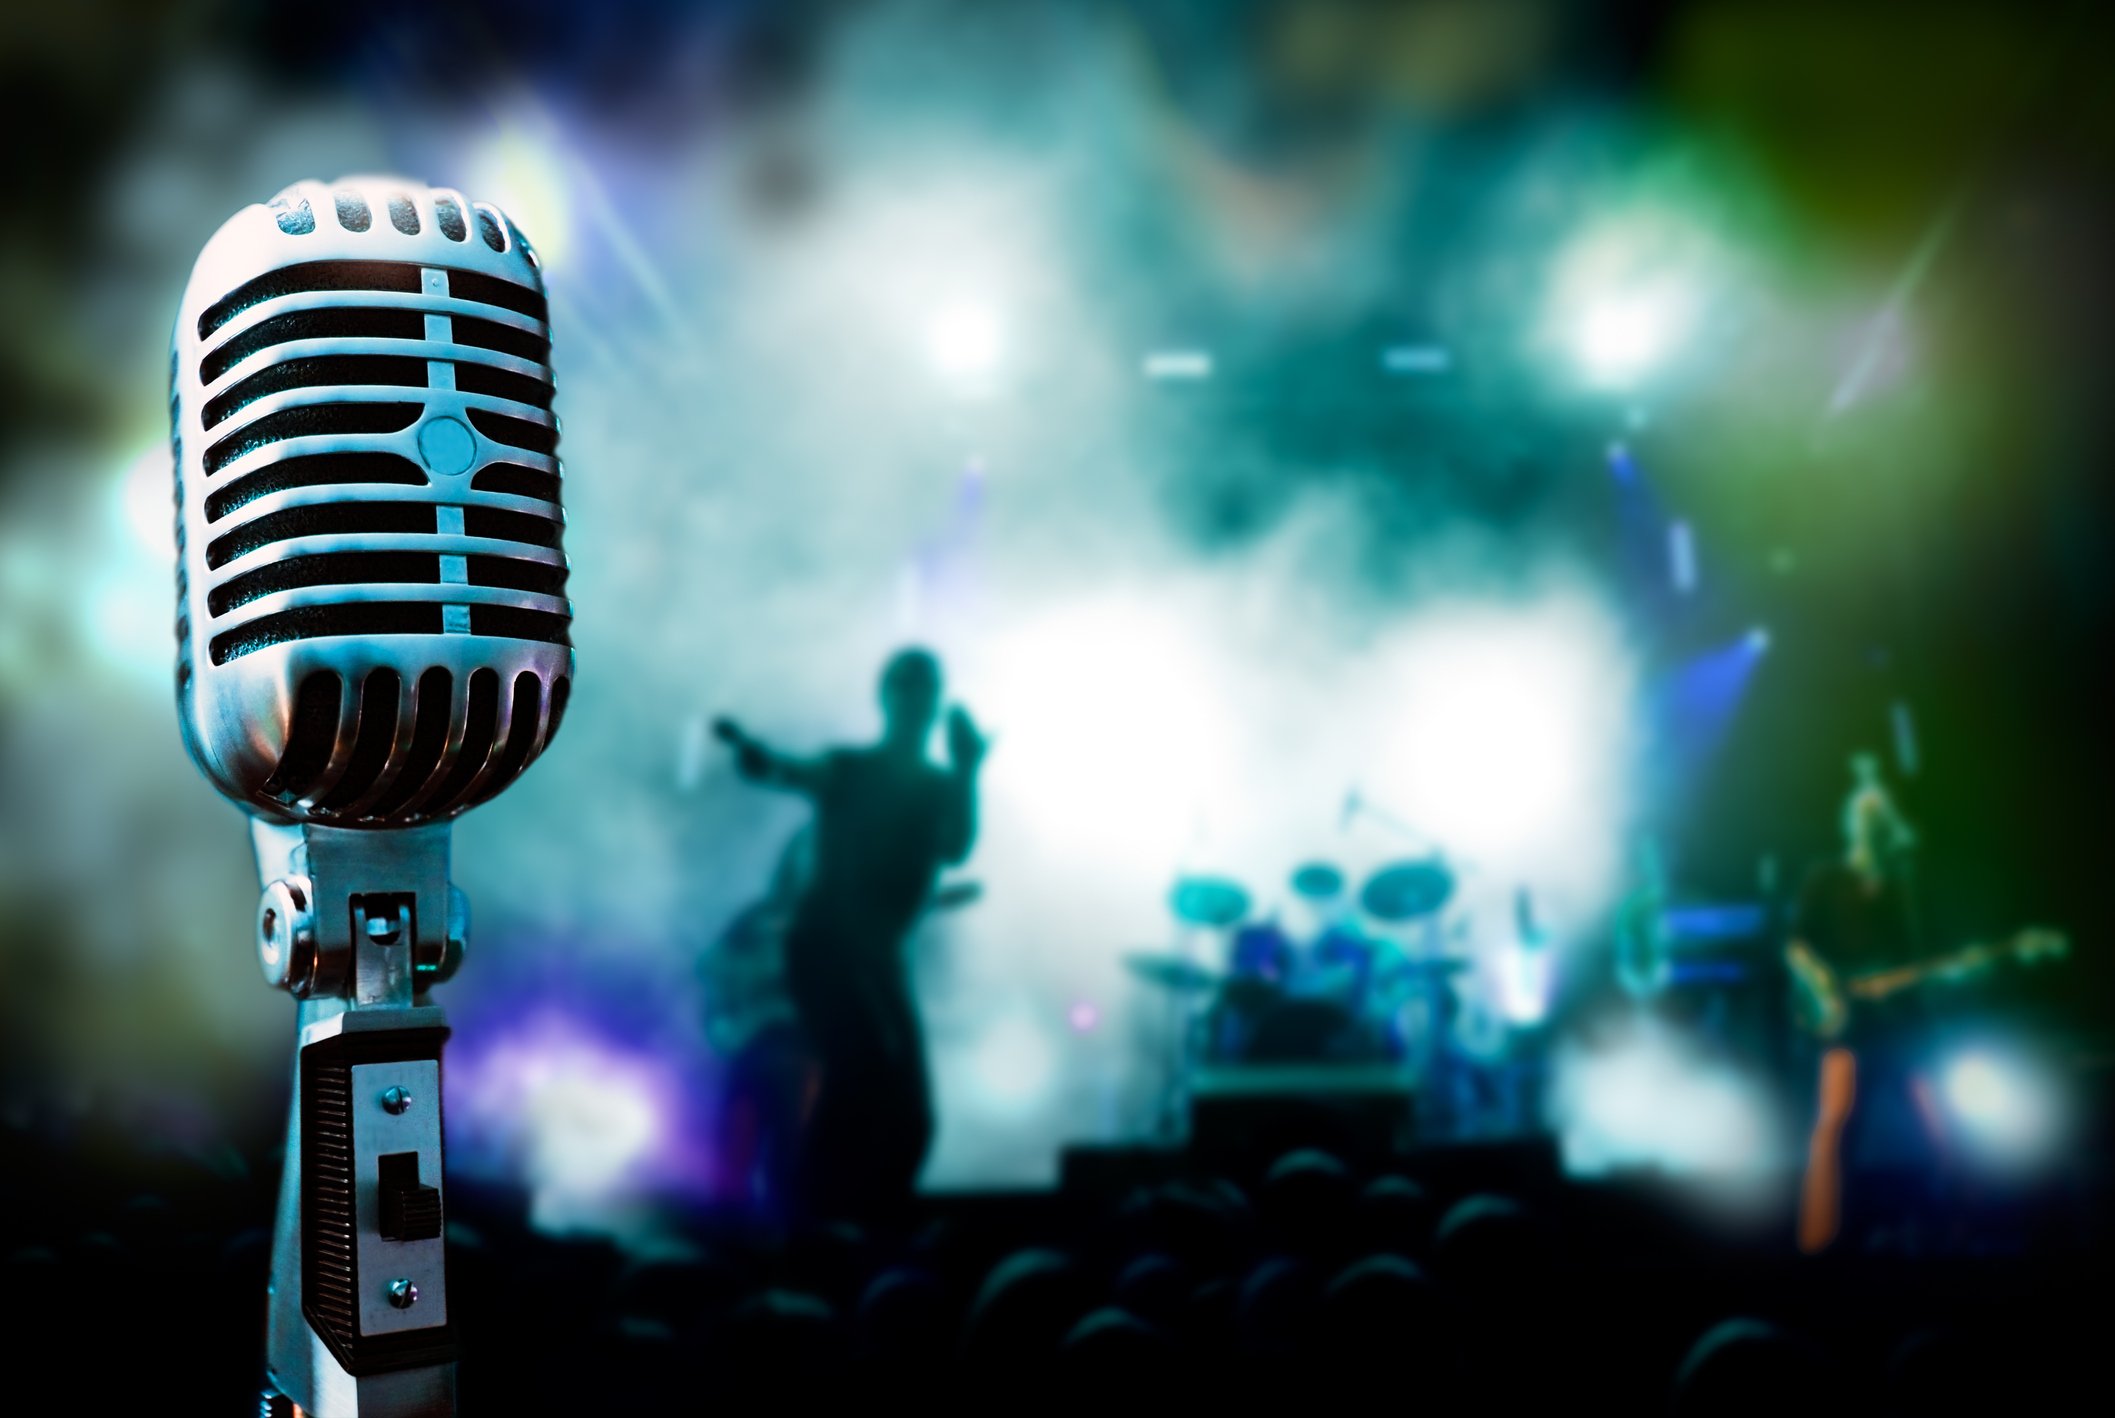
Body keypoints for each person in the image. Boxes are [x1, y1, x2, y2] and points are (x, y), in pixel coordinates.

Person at [714, 648, 985, 1221]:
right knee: (859, 1081)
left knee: (910, 1115)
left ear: (933, 703)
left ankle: (859, 1222)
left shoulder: (939, 785)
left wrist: (968, 771)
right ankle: (813, 1221)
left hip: (882, 961)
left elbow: (957, 845)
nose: (914, 701)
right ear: (887, 697)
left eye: (924, 690)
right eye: (905, 688)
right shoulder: (851, 769)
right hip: (828, 951)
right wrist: (755, 756)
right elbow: (789, 771)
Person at [1786, 753, 1935, 1253]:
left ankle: (1942, 1228)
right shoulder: (1825, 878)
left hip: (1894, 1026)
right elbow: (1796, 944)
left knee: (1934, 1125)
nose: (1874, 826)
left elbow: (1911, 962)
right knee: (1834, 1128)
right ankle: (1822, 1241)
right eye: (1867, 816)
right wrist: (1825, 986)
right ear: (1853, 824)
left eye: (1881, 817)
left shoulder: (1898, 890)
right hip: (1844, 1024)